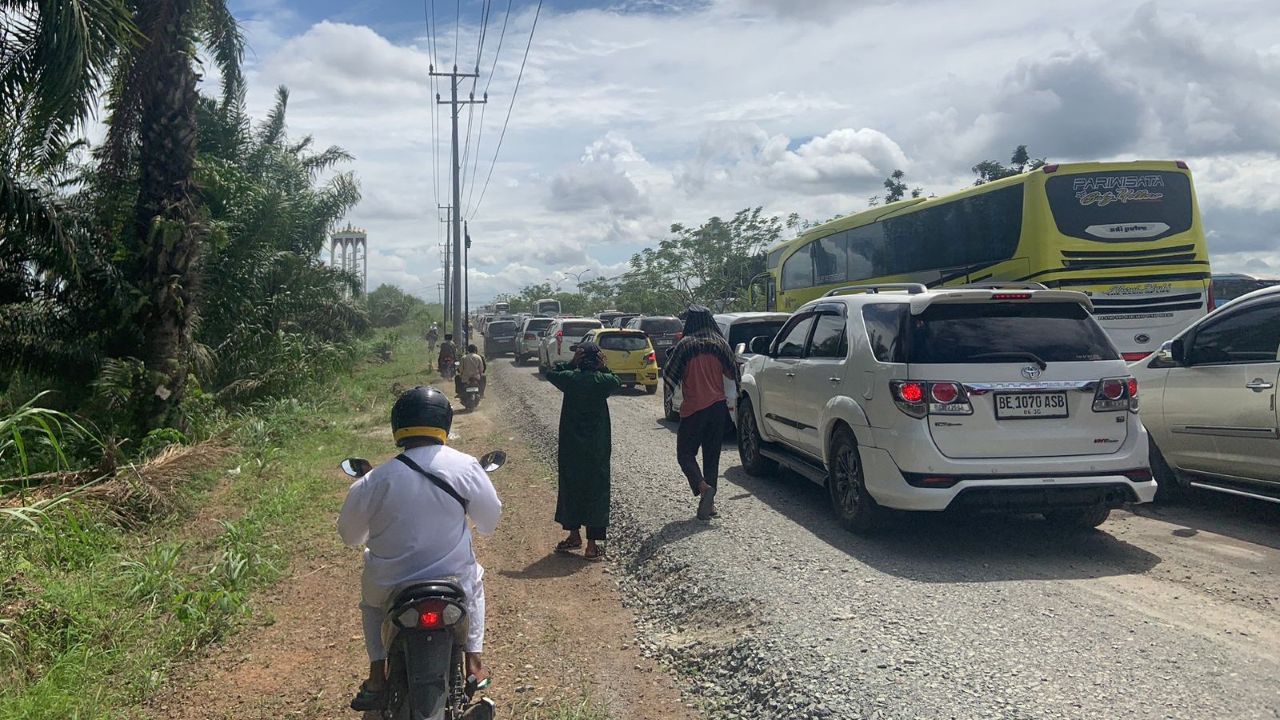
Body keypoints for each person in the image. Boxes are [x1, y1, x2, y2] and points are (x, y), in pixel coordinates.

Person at [338, 386, 502, 712]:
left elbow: (350, 536)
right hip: (452, 583)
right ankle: (474, 662)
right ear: (444, 424)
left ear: (398, 427)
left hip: (390, 586)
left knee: (371, 607)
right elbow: (489, 520)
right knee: (476, 583)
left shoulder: (374, 481)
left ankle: (376, 676)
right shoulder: (467, 467)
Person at [662, 306, 738, 521]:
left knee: (685, 454)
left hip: (694, 409)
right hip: (718, 408)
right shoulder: (720, 344)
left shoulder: (685, 345)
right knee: (711, 456)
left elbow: (669, 373)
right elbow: (732, 372)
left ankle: (703, 487)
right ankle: (711, 506)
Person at [547, 343, 622, 560]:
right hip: (597, 448)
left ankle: (573, 535)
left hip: (571, 447)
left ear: (580, 359)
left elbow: (552, 372)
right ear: (598, 360)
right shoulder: (603, 381)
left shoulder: (570, 379)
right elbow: (616, 380)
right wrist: (604, 367)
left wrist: (571, 363)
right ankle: (591, 545)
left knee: (571, 488)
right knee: (596, 491)